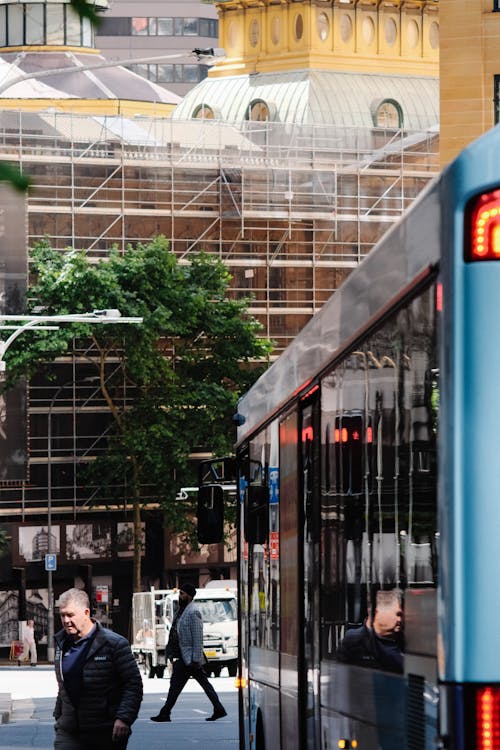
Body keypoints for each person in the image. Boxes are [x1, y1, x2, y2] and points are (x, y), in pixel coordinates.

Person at [53, 587, 143, 750]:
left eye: (70, 615)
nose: (65, 620)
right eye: (62, 615)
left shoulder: (114, 644)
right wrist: (59, 715)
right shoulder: (61, 643)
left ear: (86, 613)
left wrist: (124, 718)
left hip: (105, 731)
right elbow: (64, 686)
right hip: (68, 731)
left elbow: (133, 684)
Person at [150, 582, 227, 723]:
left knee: (176, 686)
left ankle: (165, 713)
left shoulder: (193, 612)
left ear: (189, 596)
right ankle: (219, 709)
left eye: (182, 593)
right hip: (183, 657)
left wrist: (196, 659)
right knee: (199, 684)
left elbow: (197, 637)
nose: (180, 596)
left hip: (189, 658)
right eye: (180, 593)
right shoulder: (182, 611)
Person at [337, 590, 404, 674]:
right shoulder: (354, 640)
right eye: (398, 614)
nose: (400, 620)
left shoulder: (406, 642)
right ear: (377, 612)